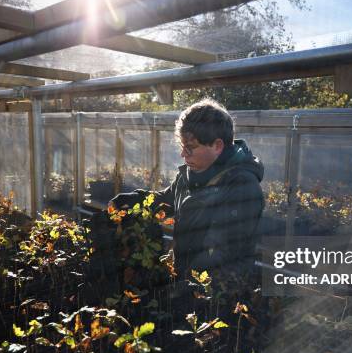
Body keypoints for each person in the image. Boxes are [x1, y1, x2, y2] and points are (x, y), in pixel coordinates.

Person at [110, 99, 264, 278]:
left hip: (217, 291)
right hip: (186, 278)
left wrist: (179, 281)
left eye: (190, 148)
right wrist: (131, 202)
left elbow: (222, 255)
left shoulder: (241, 187)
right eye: (183, 147)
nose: (183, 154)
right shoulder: (189, 174)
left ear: (217, 146)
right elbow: (166, 200)